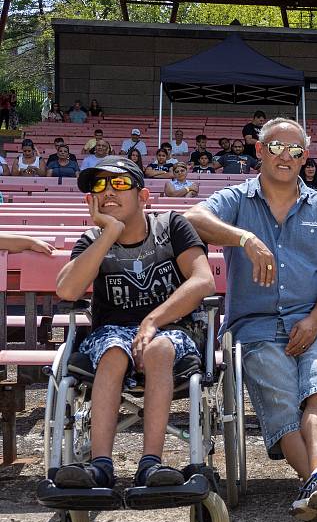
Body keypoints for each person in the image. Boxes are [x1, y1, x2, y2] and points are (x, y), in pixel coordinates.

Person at [184, 117, 317, 522]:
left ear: (305, 157)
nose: (285, 156)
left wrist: (314, 319)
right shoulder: (236, 199)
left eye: (295, 150)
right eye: (275, 147)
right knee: (282, 398)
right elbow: (190, 219)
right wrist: (243, 238)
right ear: (259, 151)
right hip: (254, 328)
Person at [52, 155, 215, 491]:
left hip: (172, 329)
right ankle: (100, 466)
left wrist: (153, 321)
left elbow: (202, 282)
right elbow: (67, 289)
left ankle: (150, 464)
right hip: (112, 334)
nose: (109, 191)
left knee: (157, 348)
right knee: (113, 351)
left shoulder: (171, 226)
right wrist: (109, 232)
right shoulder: (91, 240)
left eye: (120, 183)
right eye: (100, 185)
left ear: (144, 196)